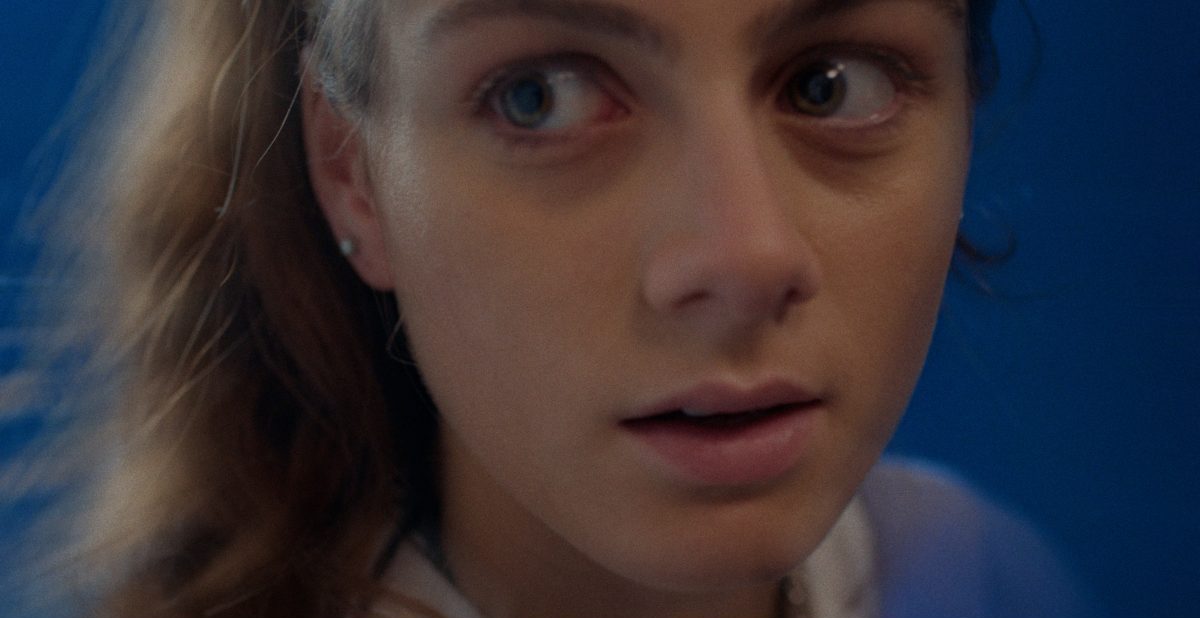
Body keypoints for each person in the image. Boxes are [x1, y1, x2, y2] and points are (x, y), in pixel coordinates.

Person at [2, 0, 1092, 617]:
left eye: (832, 83)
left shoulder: (977, 574)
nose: (744, 256)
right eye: (543, 98)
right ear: (353, 176)